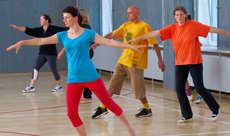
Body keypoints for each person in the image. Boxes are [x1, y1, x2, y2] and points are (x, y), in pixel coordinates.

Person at [6, 6, 143, 136]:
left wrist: (129, 47)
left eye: (67, 17)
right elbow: (41, 41)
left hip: (90, 76)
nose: (64, 20)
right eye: (63, 17)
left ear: (75, 18)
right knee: (71, 113)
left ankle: (130, 129)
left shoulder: (88, 33)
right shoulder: (63, 35)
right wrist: (22, 42)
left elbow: (110, 42)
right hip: (73, 79)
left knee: (108, 102)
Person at [128, 6, 230, 123]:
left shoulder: (193, 25)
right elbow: (155, 33)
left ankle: (215, 108)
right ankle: (187, 115)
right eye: (177, 15)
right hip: (181, 63)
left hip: (194, 62)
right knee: (179, 88)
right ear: (174, 17)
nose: (179, 17)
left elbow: (212, 29)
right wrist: (138, 38)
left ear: (185, 15)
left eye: (181, 14)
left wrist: (228, 33)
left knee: (199, 87)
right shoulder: (172, 28)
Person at [91, 5, 165, 119]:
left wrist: (160, 60)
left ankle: (147, 109)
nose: (127, 15)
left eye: (130, 13)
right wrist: (98, 42)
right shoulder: (126, 25)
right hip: (123, 61)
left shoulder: (144, 26)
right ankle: (102, 107)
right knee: (112, 85)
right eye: (127, 13)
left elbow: (155, 44)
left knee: (138, 89)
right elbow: (112, 34)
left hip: (135, 63)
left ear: (137, 13)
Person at [9, 14, 69, 93]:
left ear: (46, 20)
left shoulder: (54, 29)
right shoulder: (39, 30)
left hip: (51, 53)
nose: (40, 21)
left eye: (41, 19)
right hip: (42, 53)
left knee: (54, 69)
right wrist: (17, 28)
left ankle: (59, 86)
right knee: (35, 68)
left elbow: (66, 29)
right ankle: (31, 86)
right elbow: (28, 30)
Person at [58, 7, 94, 101]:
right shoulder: (79, 28)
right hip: (82, 52)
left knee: (84, 73)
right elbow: (71, 42)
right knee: (81, 73)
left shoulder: (85, 28)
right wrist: (62, 51)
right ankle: (86, 94)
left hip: (85, 52)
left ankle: (87, 95)